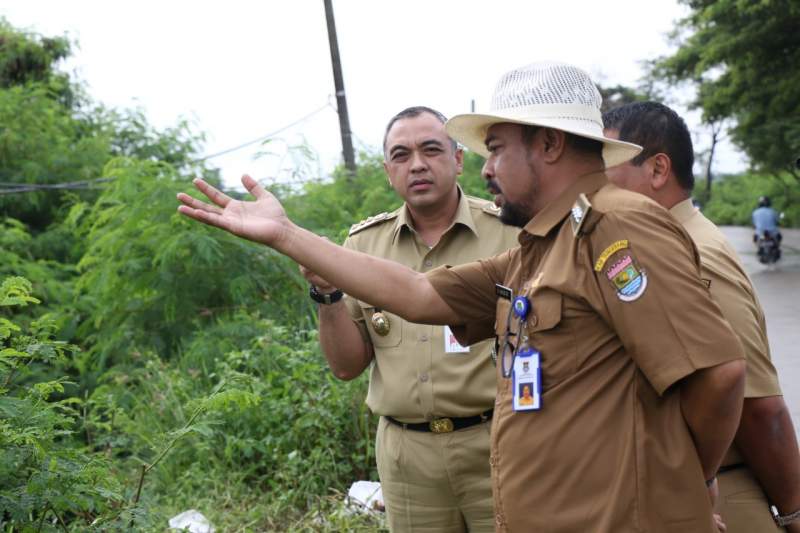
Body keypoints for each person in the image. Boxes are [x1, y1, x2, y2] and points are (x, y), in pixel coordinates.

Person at [177, 61, 746, 532]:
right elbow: (418, 293)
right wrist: (286, 236)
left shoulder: (615, 226)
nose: (487, 168)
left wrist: (686, 482)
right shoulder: (542, 245)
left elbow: (717, 375)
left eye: (495, 149)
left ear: (549, 144)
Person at [301, 106, 520, 532]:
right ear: (388, 171)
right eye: (401, 156)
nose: (416, 164)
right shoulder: (362, 245)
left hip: (497, 441)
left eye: (431, 150)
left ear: (458, 159)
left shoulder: (508, 232)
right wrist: (328, 295)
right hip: (407, 458)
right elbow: (346, 366)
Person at [603, 101, 800, 533]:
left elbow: (756, 404)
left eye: (606, 165)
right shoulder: (652, 246)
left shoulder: (695, 255)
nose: (593, 183)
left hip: (719, 495)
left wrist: (793, 512)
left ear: (658, 170)